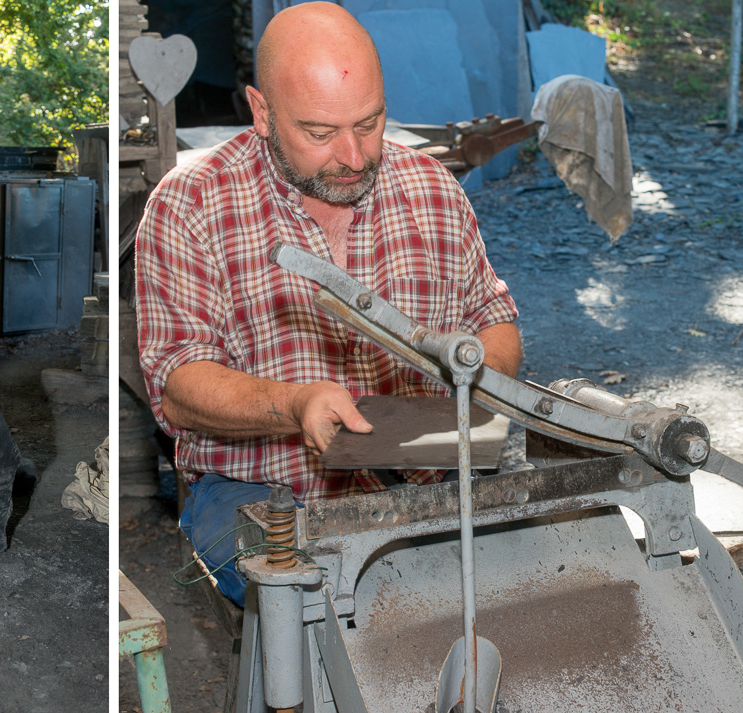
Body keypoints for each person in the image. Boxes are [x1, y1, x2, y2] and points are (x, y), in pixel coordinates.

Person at [134, 2, 521, 603]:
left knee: (527, 579)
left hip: (425, 469)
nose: (355, 156)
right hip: (257, 485)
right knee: (339, 611)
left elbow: (492, 321)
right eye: (319, 133)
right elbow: (178, 385)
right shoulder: (191, 204)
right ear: (262, 112)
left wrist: (476, 380)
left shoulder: (431, 187)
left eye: (369, 123)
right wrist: (295, 406)